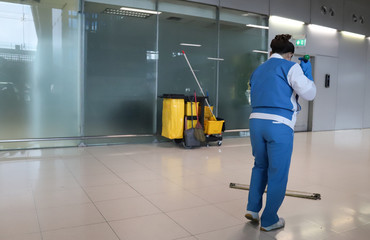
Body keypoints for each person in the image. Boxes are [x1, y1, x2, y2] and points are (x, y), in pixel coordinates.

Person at [245, 34, 316, 231]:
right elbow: (310, 93)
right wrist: (307, 74)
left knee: (259, 166)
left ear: (271, 52)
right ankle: (269, 220)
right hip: (279, 124)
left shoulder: (258, 70)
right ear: (290, 55)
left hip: (256, 122)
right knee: (277, 172)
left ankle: (252, 209)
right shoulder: (290, 66)